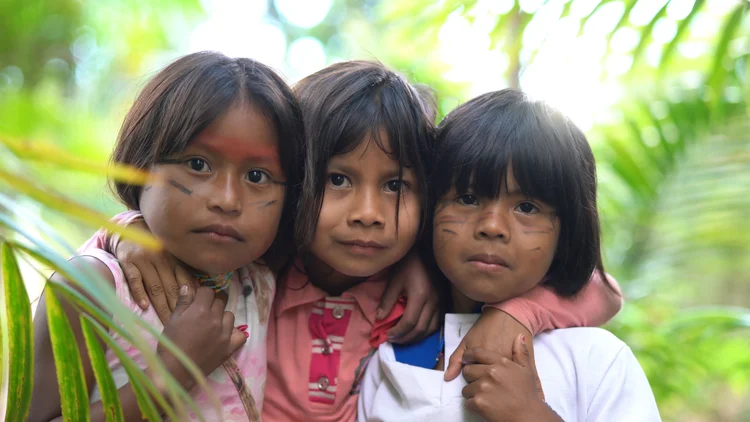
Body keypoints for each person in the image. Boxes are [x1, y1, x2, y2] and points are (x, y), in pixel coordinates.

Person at [102, 62, 626, 422]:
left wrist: (515, 314)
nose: (370, 216)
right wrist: (132, 233)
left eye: (396, 186)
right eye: (338, 180)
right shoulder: (260, 263)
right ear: (296, 177)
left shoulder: (425, 284)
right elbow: (188, 216)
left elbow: (599, 287)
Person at [29, 51, 305, 422]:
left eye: (257, 176)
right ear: (139, 164)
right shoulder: (93, 288)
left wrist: (412, 271)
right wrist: (168, 378)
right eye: (197, 164)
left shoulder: (261, 282)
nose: (227, 200)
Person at [358, 89, 661, 422]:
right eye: (468, 198)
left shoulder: (596, 359)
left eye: (527, 207)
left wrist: (530, 415)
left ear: (568, 229)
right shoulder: (388, 359)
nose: (492, 226)